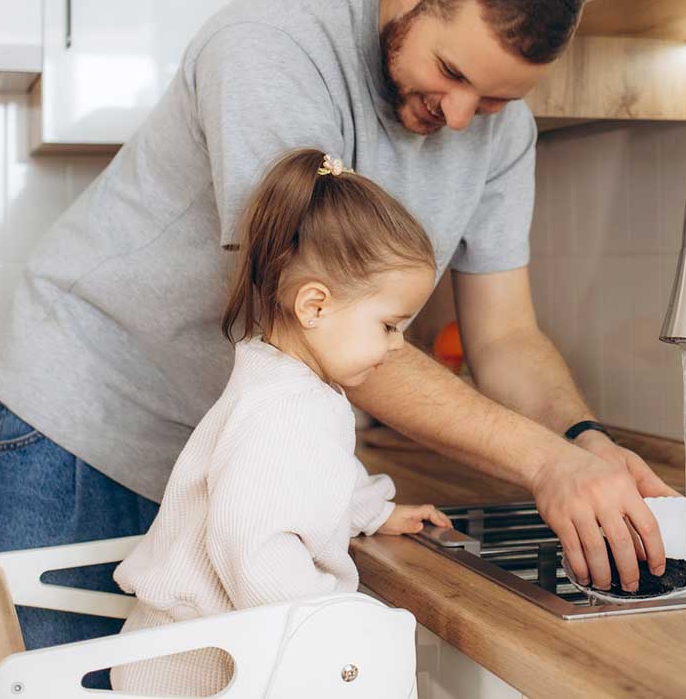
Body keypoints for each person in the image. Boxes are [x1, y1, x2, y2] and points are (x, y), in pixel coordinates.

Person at [0, 0, 675, 698]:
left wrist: (583, 441)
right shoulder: (275, 44)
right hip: (90, 413)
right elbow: (304, 312)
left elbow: (505, 336)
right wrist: (545, 462)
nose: (461, 119)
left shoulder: (501, 134)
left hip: (235, 449)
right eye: (454, 74)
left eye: (496, 101)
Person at [110, 150, 449, 693]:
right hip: (200, 673)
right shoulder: (292, 407)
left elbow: (310, 477)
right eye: (389, 325)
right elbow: (255, 544)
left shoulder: (281, 377)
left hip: (176, 652)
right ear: (314, 306)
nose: (398, 344)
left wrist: (372, 510)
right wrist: (326, 632)